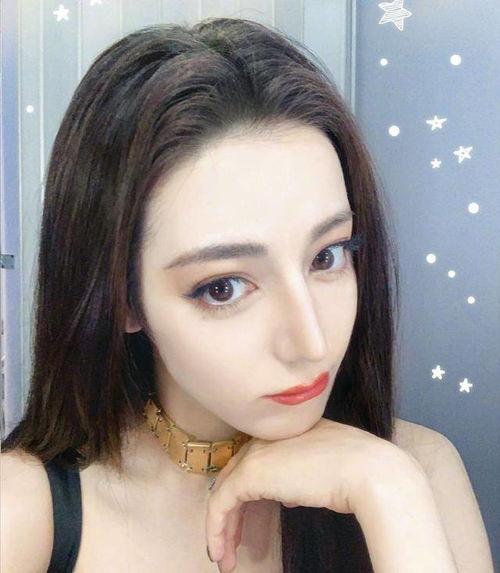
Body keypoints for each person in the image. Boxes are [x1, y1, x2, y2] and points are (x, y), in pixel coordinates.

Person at [1, 17, 494, 573]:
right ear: (122, 299)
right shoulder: (27, 514)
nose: (310, 343)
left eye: (327, 256)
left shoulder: (414, 473)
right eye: (224, 287)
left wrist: (390, 498)